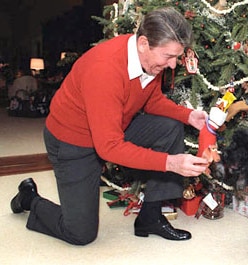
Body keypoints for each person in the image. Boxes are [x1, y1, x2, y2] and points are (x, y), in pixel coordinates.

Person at [10, 7, 210, 245]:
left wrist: (188, 116)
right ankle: (29, 198)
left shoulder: (147, 59)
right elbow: (109, 147)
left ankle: (151, 217)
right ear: (144, 43)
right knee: (80, 234)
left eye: (177, 57)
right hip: (72, 142)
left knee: (169, 127)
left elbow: (151, 99)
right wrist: (171, 163)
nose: (173, 65)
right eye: (169, 56)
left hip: (113, 127)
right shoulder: (105, 69)